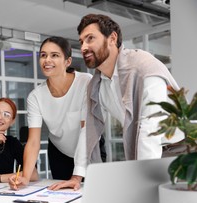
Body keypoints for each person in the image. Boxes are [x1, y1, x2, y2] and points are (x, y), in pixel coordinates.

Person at [49, 14, 180, 191]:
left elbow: (150, 128)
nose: (84, 47)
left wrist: (141, 180)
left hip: (179, 153)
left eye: (90, 38)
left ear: (112, 38)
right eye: (81, 42)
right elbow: (88, 129)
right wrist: (77, 176)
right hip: (148, 156)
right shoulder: (96, 84)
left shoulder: (143, 66)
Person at [9, 36, 92, 189]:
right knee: (61, 195)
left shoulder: (86, 83)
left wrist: (76, 176)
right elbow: (33, 141)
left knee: (90, 195)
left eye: (54, 55)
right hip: (59, 151)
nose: (47, 60)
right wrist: (25, 177)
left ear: (67, 62)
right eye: (43, 55)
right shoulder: (35, 96)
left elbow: (86, 131)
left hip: (90, 147)